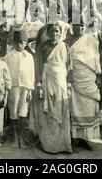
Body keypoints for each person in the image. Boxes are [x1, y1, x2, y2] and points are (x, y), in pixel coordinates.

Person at [30, 23, 73, 154]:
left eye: (57, 31)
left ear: (61, 33)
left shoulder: (65, 46)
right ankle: (48, 144)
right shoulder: (44, 47)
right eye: (52, 31)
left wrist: (69, 85)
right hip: (47, 79)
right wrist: (38, 83)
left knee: (62, 108)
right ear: (48, 34)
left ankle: (63, 144)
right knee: (47, 110)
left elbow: (70, 67)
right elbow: (38, 65)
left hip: (61, 81)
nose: (55, 34)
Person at [67, 21, 101, 151]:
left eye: (82, 26)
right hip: (75, 78)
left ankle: (84, 139)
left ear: (85, 27)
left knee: (88, 106)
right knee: (74, 107)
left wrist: (98, 75)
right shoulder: (67, 41)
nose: (79, 28)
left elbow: (96, 58)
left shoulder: (91, 40)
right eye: (77, 25)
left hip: (89, 77)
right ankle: (73, 138)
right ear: (72, 27)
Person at [4, 31, 35, 149]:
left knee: (23, 112)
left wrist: (30, 90)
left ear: (26, 44)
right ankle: (15, 137)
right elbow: (6, 73)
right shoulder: (8, 56)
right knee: (13, 112)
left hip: (25, 87)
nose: (20, 45)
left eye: (22, 43)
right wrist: (7, 88)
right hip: (13, 87)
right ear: (14, 43)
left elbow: (31, 74)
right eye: (18, 43)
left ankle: (22, 137)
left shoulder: (29, 56)